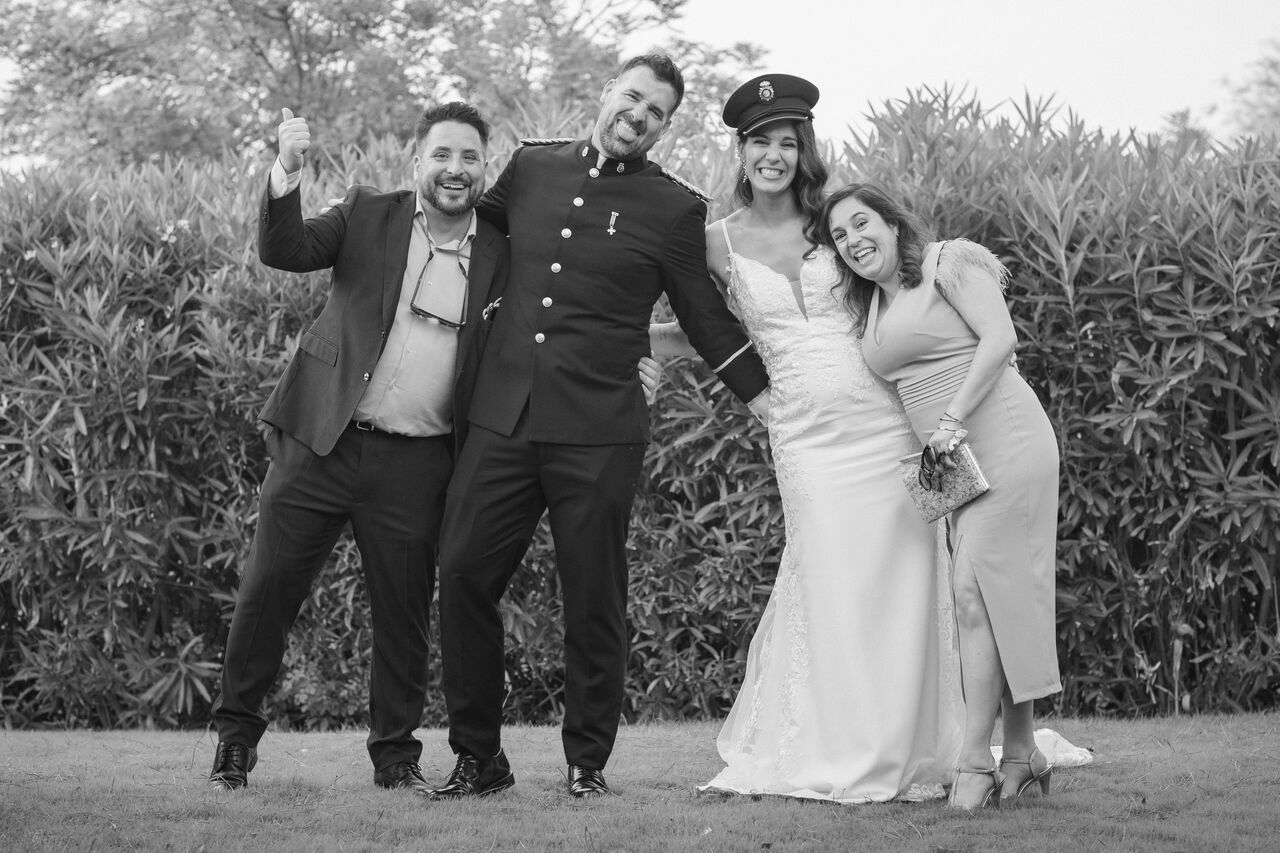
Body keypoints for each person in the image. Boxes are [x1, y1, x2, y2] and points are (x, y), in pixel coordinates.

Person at [428, 53, 771, 801]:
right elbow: (464, 240)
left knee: (593, 598)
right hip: (502, 418)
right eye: (633, 97)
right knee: (462, 573)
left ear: (664, 128)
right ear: (609, 91)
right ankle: (478, 757)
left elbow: (703, 317)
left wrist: (766, 400)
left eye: (656, 112)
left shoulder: (674, 208)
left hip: (600, 429)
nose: (638, 116)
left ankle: (587, 761)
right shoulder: (532, 167)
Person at [650, 74, 963, 803]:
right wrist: (629, 338)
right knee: (831, 578)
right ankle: (838, 741)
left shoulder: (835, 223)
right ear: (741, 149)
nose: (774, 155)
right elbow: (706, 331)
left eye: (788, 143)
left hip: (886, 422)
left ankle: (908, 740)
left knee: (906, 579)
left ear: (804, 152)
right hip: (802, 433)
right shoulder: (715, 243)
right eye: (761, 141)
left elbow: (901, 283)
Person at [207, 101, 512, 794]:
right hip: (322, 440)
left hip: (420, 459)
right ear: (417, 161)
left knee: (403, 617)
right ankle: (234, 743)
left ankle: (395, 758)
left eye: (469, 157)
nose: (455, 168)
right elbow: (285, 250)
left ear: (485, 168)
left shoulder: (502, 249)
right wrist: (287, 170)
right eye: (442, 154)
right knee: (266, 593)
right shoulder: (367, 211)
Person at [821, 182, 1062, 810]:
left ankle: (975, 761)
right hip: (954, 467)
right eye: (839, 235)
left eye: (861, 223)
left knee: (972, 594)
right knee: (995, 600)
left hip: (1005, 437)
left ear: (893, 222)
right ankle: (1022, 755)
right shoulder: (872, 306)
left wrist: (951, 421)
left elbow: (1000, 339)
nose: (852, 241)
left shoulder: (949, 261)